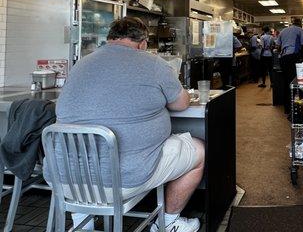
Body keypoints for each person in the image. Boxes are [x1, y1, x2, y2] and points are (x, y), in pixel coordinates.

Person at [49, 17, 204, 232]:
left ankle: (82, 226)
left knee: (83, 158)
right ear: (142, 43)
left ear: (110, 39)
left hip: (63, 179)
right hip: (124, 179)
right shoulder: (154, 63)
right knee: (200, 151)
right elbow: (181, 103)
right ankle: (168, 222)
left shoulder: (81, 63)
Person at [278, 18, 303, 114]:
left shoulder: (283, 31)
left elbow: (278, 46)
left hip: (283, 58)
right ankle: (295, 108)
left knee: (286, 82)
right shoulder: (299, 30)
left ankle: (287, 108)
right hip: (293, 58)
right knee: (295, 82)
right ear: (300, 24)